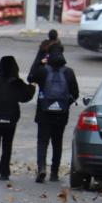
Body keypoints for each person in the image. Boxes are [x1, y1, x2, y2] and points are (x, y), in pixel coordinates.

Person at [30, 49, 79, 183]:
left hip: (43, 112)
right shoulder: (69, 72)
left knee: (42, 141)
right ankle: (54, 173)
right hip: (61, 115)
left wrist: (39, 63)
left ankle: (41, 168)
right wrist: (64, 105)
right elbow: (75, 93)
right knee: (57, 143)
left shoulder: (43, 71)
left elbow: (30, 78)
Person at [0, 56, 36, 181]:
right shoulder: (17, 84)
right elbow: (26, 97)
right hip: (11, 118)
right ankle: (4, 171)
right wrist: (32, 87)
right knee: (7, 145)